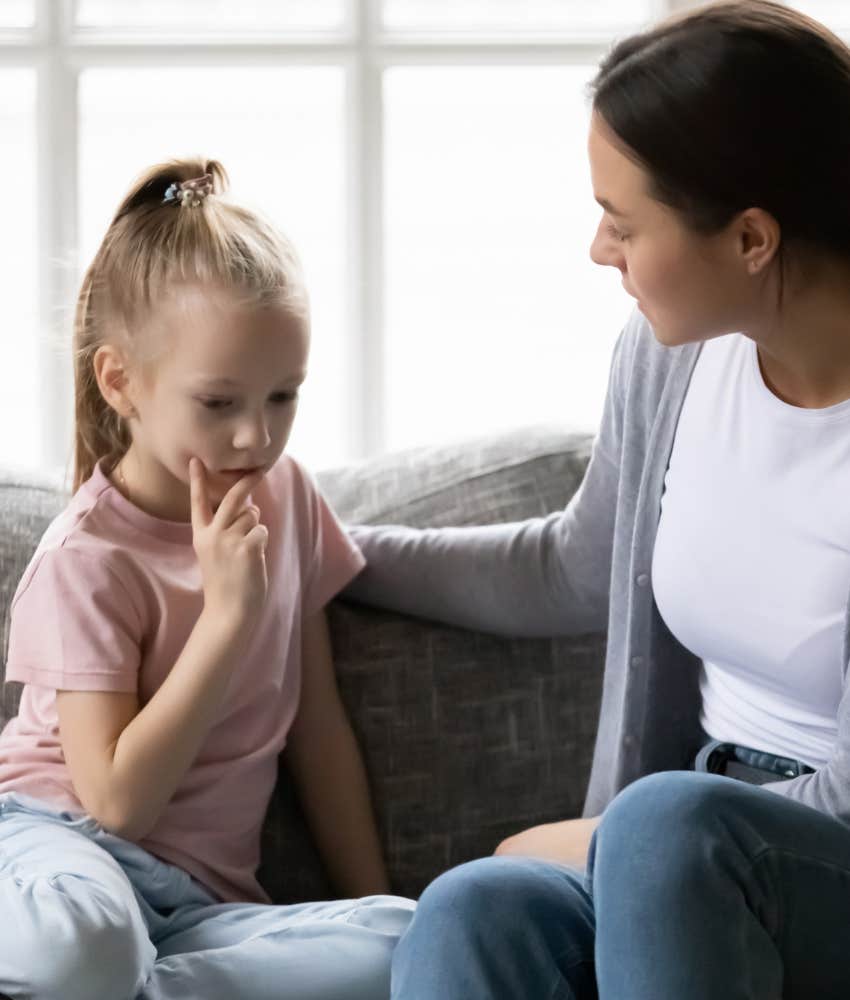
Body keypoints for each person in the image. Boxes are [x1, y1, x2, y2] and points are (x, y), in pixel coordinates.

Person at [342, 1, 850, 996]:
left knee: (664, 829)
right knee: (474, 907)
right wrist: (326, 546)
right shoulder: (671, 364)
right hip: (691, 838)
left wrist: (612, 835)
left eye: (622, 223)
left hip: (778, 851)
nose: (597, 249)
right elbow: (578, 565)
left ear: (750, 237)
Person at [0, 159, 414, 1000]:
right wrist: (228, 619)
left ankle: (127, 989)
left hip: (197, 910)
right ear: (122, 381)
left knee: (414, 936)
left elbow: (317, 726)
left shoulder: (288, 498)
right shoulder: (88, 559)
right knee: (83, 946)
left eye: (283, 397)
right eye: (219, 403)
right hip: (58, 853)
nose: (254, 439)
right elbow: (117, 802)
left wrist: (369, 892)